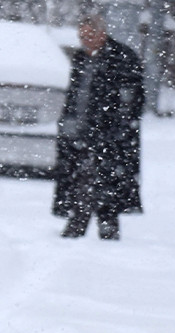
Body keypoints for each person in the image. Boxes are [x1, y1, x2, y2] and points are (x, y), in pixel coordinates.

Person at [52, 14, 145, 240]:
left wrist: (115, 127)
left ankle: (89, 228)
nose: (85, 40)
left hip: (110, 136)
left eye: (89, 35)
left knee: (103, 182)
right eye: (81, 36)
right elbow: (75, 96)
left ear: (102, 33)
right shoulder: (81, 59)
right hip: (80, 132)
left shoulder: (122, 57)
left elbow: (132, 99)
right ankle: (88, 227)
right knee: (81, 180)